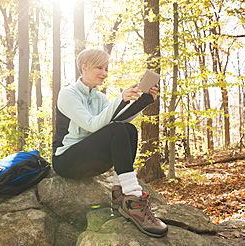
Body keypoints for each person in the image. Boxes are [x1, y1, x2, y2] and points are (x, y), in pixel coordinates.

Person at [52, 49, 168, 238]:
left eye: (106, 68)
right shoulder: (68, 94)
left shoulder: (100, 98)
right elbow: (92, 125)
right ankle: (134, 200)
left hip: (89, 160)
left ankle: (120, 194)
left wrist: (145, 100)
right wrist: (120, 99)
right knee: (117, 128)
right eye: (100, 67)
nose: (105, 73)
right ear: (84, 67)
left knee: (128, 129)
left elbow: (120, 121)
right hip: (66, 161)